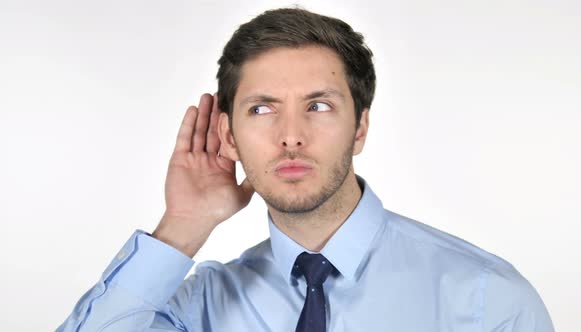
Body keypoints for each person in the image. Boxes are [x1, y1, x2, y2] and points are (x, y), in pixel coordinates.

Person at [58, 7, 554, 332]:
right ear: (228, 136)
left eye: (317, 106)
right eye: (262, 108)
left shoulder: (487, 300)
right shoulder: (201, 308)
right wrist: (182, 228)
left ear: (359, 127)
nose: (291, 134)